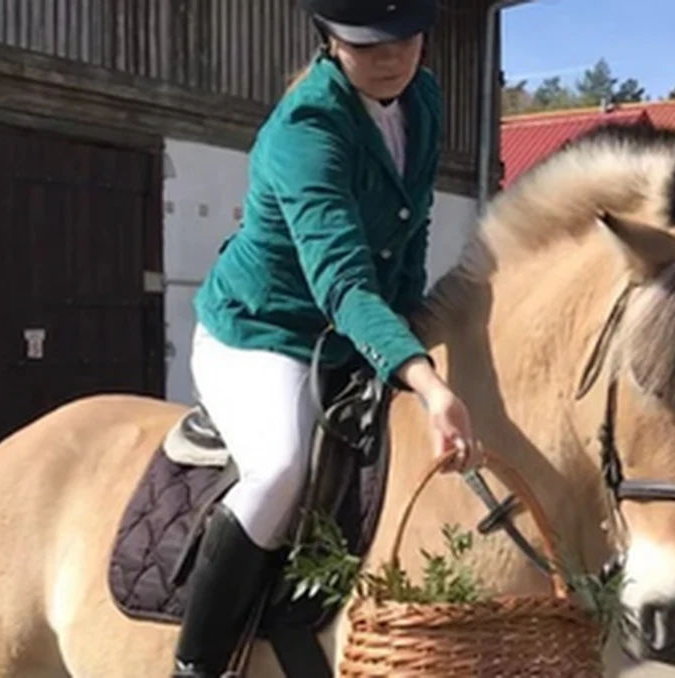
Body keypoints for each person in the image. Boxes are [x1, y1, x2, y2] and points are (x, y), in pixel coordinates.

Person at [171, 2, 482, 676]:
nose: (392, 57)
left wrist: (413, 332)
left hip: (353, 334)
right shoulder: (304, 130)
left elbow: (412, 227)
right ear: (329, 42)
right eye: (369, 46)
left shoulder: (422, 97)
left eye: (405, 38)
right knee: (282, 467)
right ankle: (196, 664)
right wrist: (423, 378)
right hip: (263, 334)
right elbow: (343, 287)